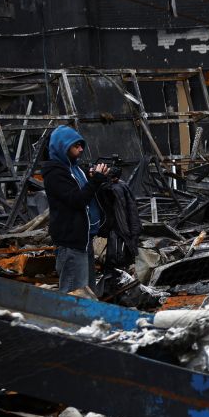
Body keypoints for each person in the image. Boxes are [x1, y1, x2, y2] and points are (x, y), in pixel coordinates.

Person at [42, 125, 108, 292]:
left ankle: (89, 319)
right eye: (75, 146)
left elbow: (88, 195)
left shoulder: (76, 169)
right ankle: (69, 320)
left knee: (87, 292)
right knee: (74, 293)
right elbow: (76, 200)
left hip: (84, 239)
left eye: (81, 146)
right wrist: (95, 181)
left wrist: (98, 179)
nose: (80, 150)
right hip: (71, 241)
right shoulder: (55, 173)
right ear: (62, 147)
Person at [96, 164, 142, 274]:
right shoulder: (121, 186)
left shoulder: (114, 189)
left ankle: (115, 274)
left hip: (118, 227)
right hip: (121, 227)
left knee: (116, 256)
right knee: (120, 255)